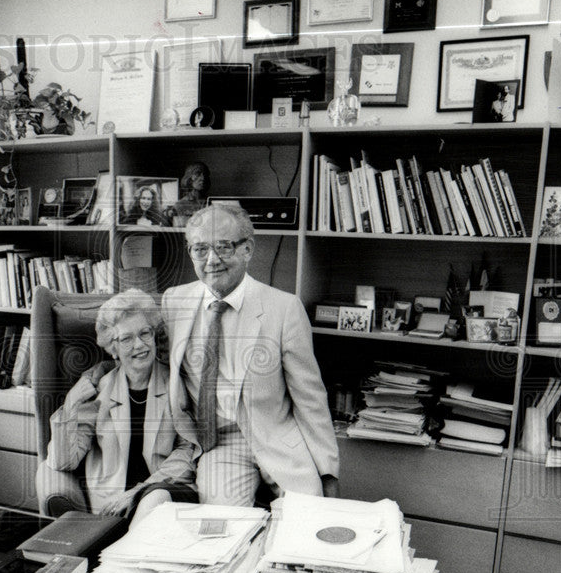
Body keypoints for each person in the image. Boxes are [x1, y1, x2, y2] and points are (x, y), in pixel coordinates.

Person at [161, 203, 339, 506]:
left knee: (307, 526)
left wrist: (328, 472)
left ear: (248, 249)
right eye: (200, 249)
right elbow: (142, 354)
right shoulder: (174, 302)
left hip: (280, 437)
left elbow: (310, 399)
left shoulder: (284, 309)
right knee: (222, 533)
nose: (212, 260)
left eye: (224, 247)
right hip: (219, 443)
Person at [38, 289, 198, 521]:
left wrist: (139, 491)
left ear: (155, 336)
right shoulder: (101, 389)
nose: (139, 345)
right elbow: (64, 461)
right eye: (126, 339)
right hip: (112, 506)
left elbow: (188, 451)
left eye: (145, 333)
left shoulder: (175, 383)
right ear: (113, 348)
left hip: (163, 492)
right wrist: (70, 403)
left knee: (152, 506)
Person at [170, 162, 211, 226]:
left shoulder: (210, 203)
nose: (203, 178)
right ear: (189, 177)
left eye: (205, 174)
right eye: (197, 174)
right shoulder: (181, 205)